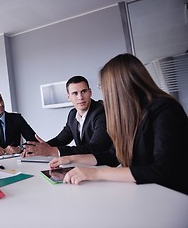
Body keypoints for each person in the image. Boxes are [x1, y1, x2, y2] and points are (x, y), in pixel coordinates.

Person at [49, 53, 188, 195]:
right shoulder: (131, 114)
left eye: (103, 86)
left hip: (173, 195)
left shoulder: (165, 109)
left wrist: (97, 174)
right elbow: (113, 155)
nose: (103, 91)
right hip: (145, 192)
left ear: (121, 85)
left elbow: (163, 170)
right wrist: (71, 159)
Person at [22, 76, 114, 165]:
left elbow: (97, 147)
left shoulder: (101, 111)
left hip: (104, 165)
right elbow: (60, 140)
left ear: (90, 92)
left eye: (84, 91)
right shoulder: (72, 114)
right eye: (75, 93)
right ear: (69, 97)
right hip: (84, 165)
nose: (80, 97)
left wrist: (53, 151)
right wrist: (38, 148)